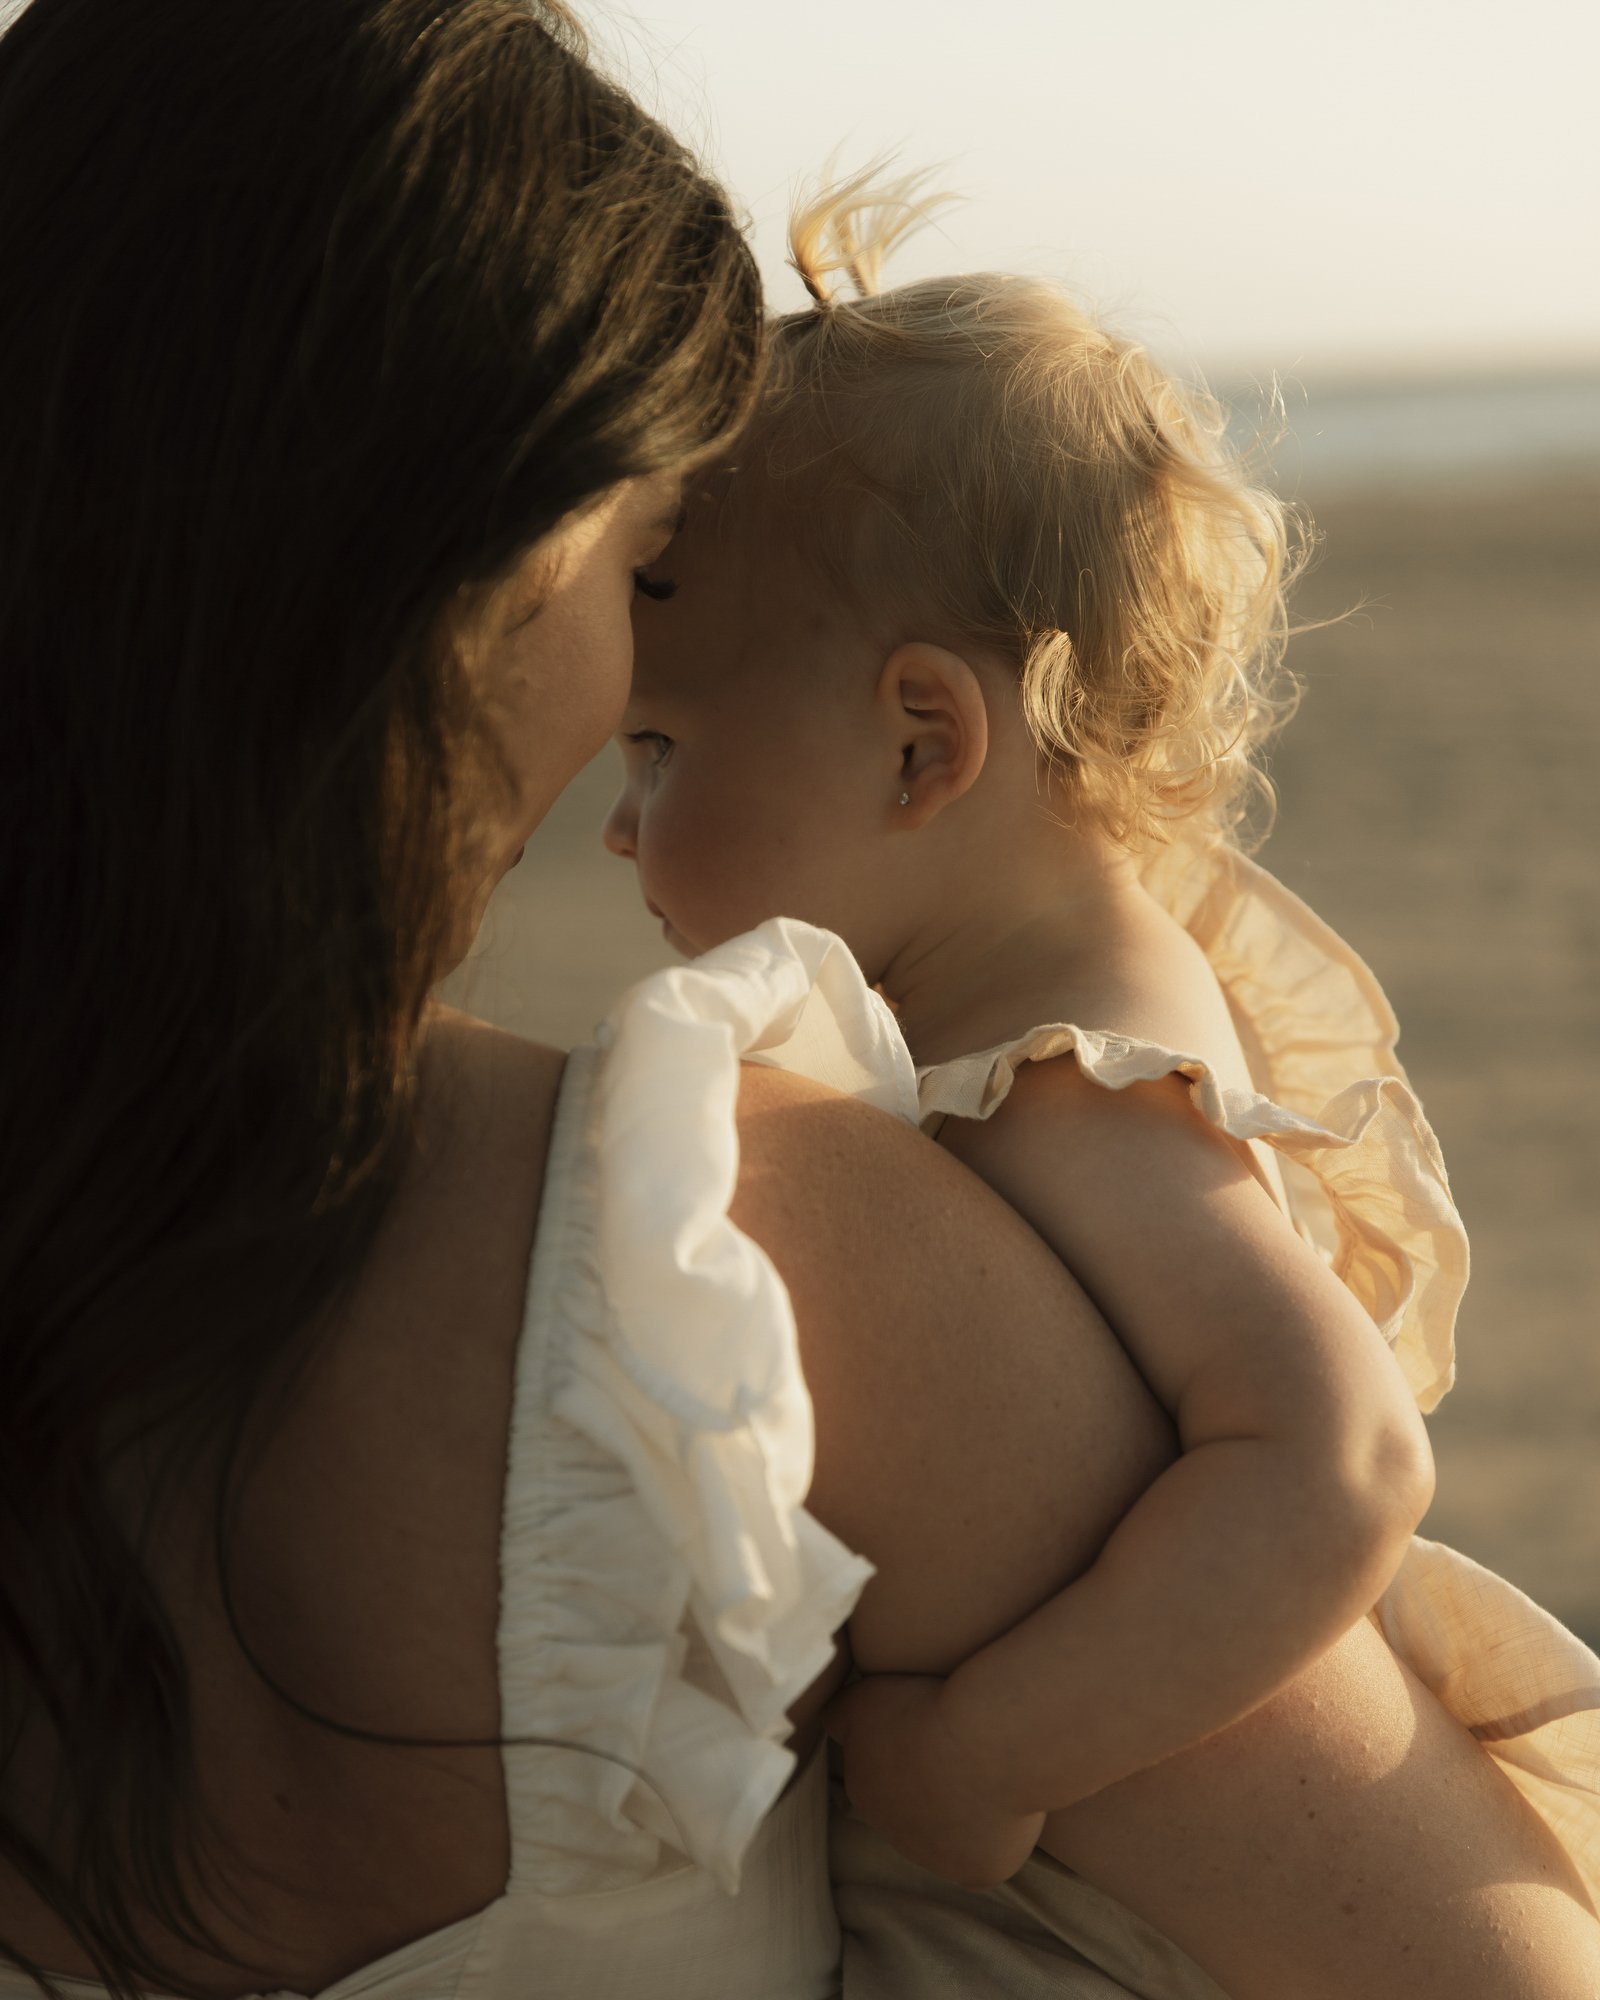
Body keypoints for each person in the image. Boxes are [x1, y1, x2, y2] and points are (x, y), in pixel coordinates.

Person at [0, 4, 1593, 1997]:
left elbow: (1334, 1458)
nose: (606, 776)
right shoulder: (729, 1256)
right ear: (441, 580)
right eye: (631, 553)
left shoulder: (998, 1113)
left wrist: (989, 1747)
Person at [607, 173, 1600, 1995]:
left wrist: (993, 1748)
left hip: (1132, 1911)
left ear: (925, 742)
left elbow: (1341, 1458)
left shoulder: (1058, 1081)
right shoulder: (1044, 987)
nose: (616, 824)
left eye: (661, 749)